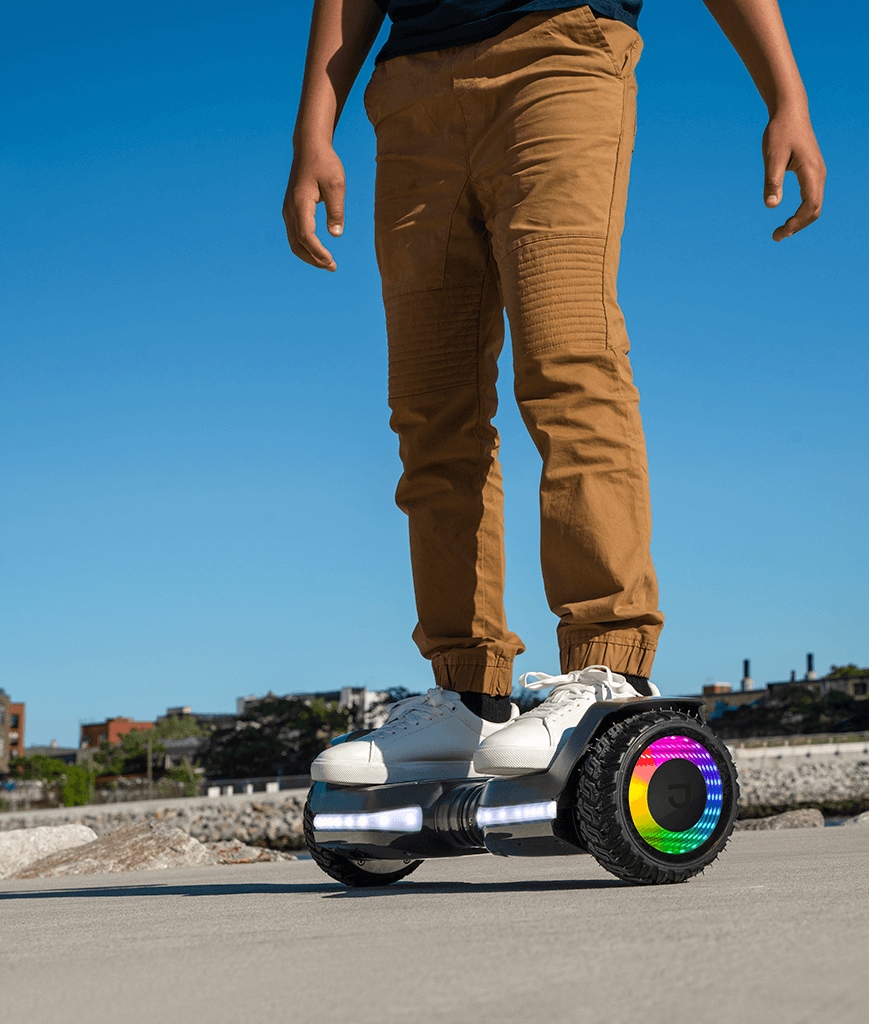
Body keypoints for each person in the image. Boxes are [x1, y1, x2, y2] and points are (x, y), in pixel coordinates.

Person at [282, 0, 825, 785]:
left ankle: (610, 666)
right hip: (409, 91)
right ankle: (465, 692)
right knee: (431, 411)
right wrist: (314, 131)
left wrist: (786, 96)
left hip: (559, 53)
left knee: (567, 363)